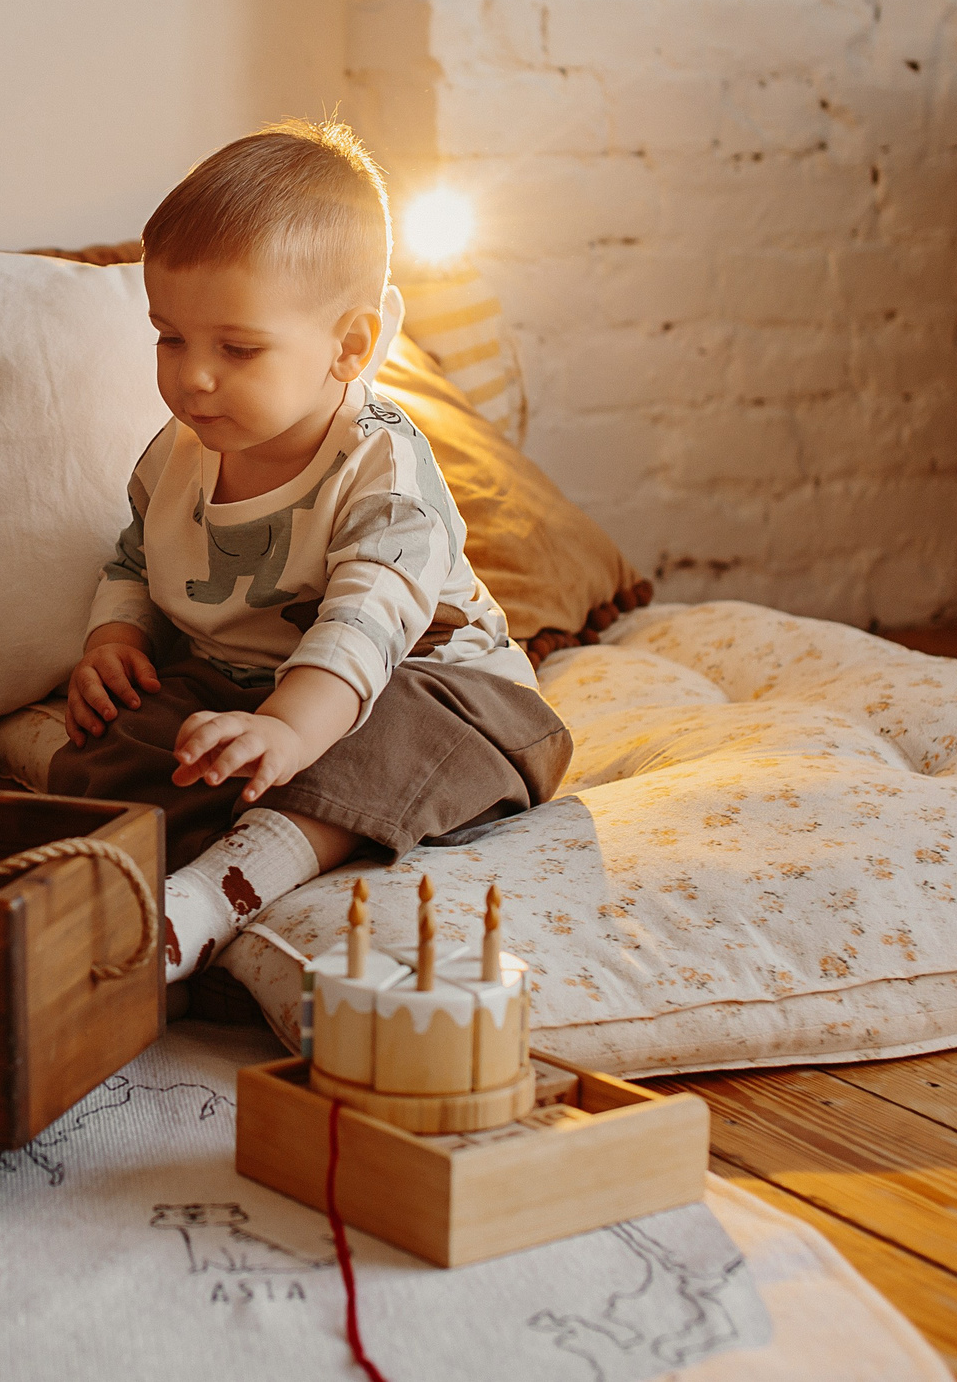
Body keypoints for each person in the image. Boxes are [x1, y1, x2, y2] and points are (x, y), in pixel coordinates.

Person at [50, 121, 572, 983]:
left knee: (387, 741)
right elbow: (136, 558)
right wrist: (117, 644)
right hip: (248, 685)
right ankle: (98, 907)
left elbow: (366, 622)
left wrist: (291, 732)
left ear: (350, 347)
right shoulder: (179, 450)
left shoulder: (384, 469)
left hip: (434, 684)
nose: (193, 378)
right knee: (126, 740)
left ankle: (227, 888)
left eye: (237, 349)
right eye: (169, 338)